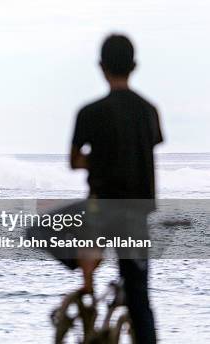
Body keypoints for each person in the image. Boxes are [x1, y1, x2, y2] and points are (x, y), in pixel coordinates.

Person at [70, 34, 162, 344]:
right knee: (140, 301)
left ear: (101, 66)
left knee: (42, 229)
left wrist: (98, 162)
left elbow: (75, 160)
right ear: (134, 65)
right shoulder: (149, 110)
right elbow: (144, 152)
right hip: (137, 212)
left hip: (102, 205)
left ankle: (87, 286)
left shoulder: (90, 112)